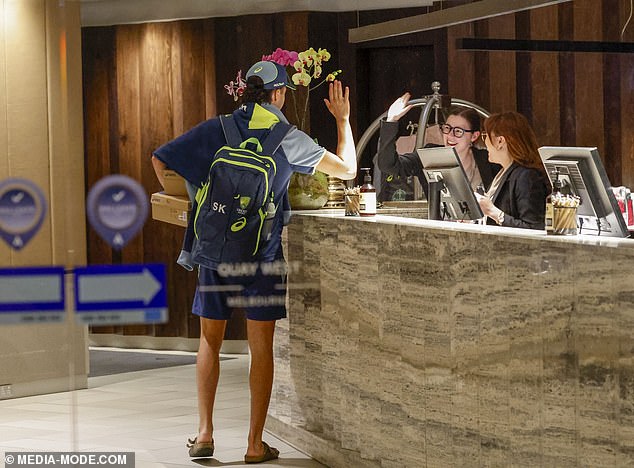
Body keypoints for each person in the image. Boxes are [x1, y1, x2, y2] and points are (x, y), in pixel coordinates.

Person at [151, 60, 356, 463]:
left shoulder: (218, 129)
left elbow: (161, 160)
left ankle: (205, 434)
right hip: (261, 255)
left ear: (246, 91)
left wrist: (200, 204)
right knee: (260, 348)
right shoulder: (287, 137)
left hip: (214, 252)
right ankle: (253, 444)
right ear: (279, 94)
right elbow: (347, 170)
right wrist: (343, 120)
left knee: (210, 339)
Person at [376, 92, 501, 199]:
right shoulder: (430, 155)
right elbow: (388, 165)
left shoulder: (488, 160)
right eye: (447, 128)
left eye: (458, 131)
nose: (450, 135)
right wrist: (391, 121)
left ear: (474, 136)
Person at [475, 111, 550, 230]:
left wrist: (493, 212)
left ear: (500, 141)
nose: (484, 142)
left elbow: (533, 228)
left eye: (486, 136)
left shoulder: (527, 177)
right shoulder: (504, 171)